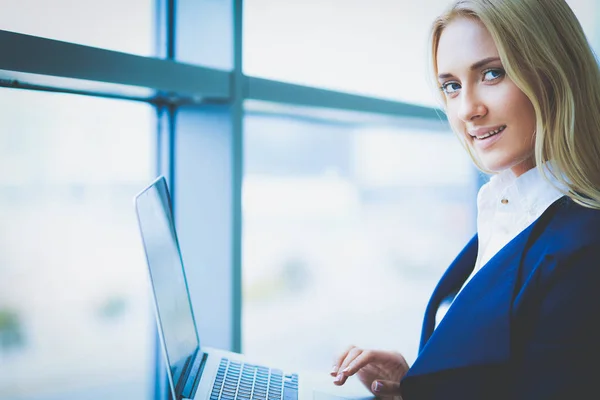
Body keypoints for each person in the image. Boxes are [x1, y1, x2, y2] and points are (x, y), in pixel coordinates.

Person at [329, 0, 600, 399]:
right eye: (452, 86)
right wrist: (416, 383)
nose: (467, 109)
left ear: (553, 73)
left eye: (492, 73)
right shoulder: (508, 209)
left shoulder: (582, 249)